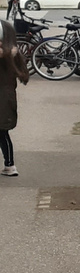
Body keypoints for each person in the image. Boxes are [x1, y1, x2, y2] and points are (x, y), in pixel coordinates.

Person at [0, 18, 30, 176]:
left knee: (2, 132)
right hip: (8, 98)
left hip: (3, 98)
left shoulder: (6, 54)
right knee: (3, 132)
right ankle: (10, 165)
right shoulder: (14, 52)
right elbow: (24, 76)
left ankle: (10, 165)